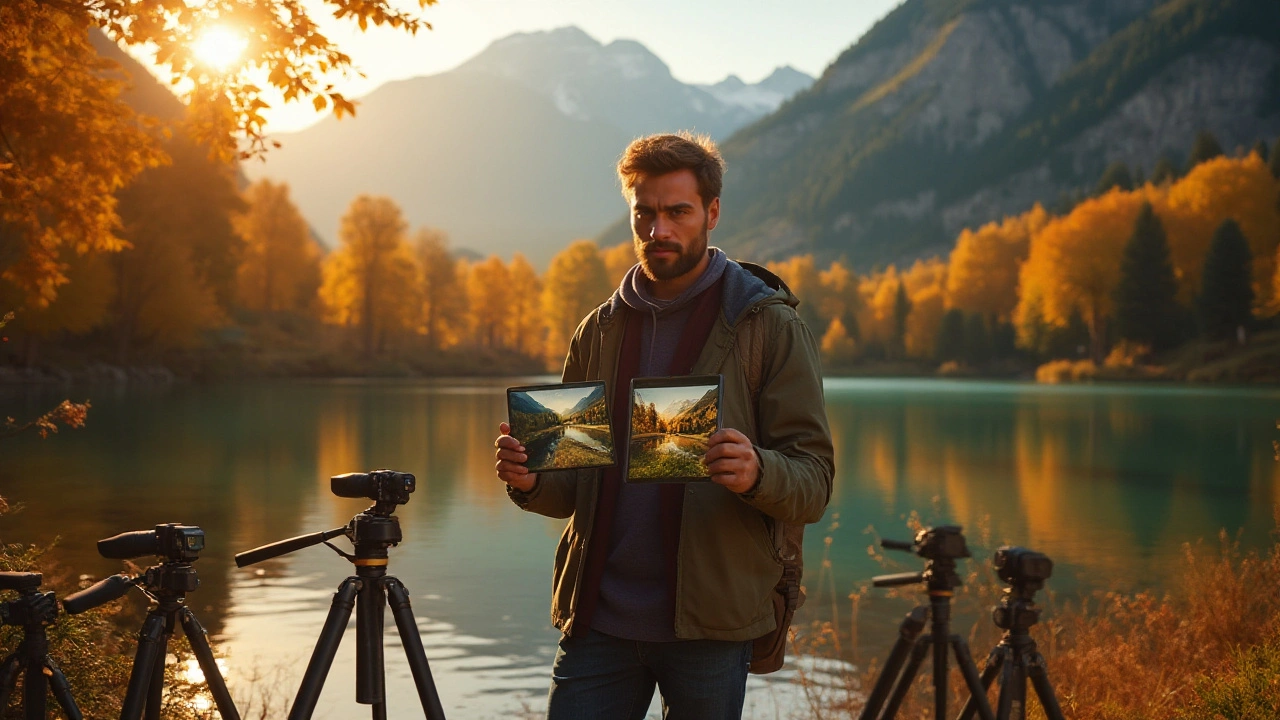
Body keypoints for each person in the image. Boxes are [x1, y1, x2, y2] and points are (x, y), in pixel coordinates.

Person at [494, 132, 833, 719]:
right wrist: (531, 482)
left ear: (712, 213)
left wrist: (757, 471)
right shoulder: (597, 330)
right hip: (597, 618)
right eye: (644, 214)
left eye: (678, 212)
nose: (659, 230)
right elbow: (574, 485)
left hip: (710, 624)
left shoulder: (767, 324)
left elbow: (814, 481)